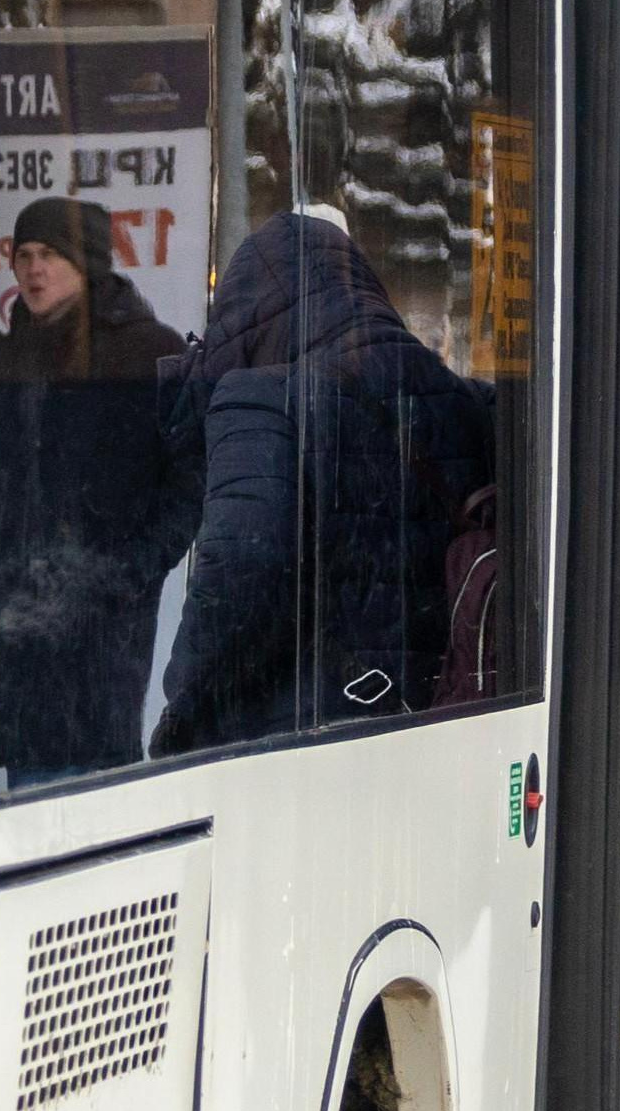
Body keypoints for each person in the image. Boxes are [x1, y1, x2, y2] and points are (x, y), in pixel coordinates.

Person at [151, 208, 494, 755]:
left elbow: (240, 567)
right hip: (452, 722)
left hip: (307, 739)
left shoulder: (262, 398)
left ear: (246, 314)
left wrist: (184, 710)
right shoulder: (470, 402)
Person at [0, 197, 197, 782]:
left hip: (101, 633)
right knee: (27, 800)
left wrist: (129, 570)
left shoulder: (150, 351)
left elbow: (190, 484)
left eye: (50, 254)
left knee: (92, 798)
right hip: (18, 629)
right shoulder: (5, 355)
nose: (32, 269)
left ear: (88, 263)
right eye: (22, 255)